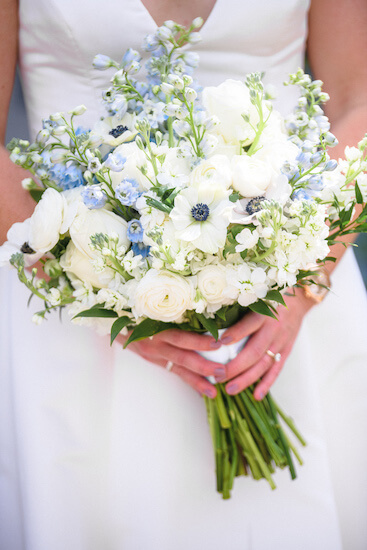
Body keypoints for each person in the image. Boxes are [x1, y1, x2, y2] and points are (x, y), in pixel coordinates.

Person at [0, 0, 366, 549]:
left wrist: (305, 285)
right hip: (65, 302)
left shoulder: (299, 287)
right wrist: (92, 296)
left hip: (288, 290)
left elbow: (358, 98)